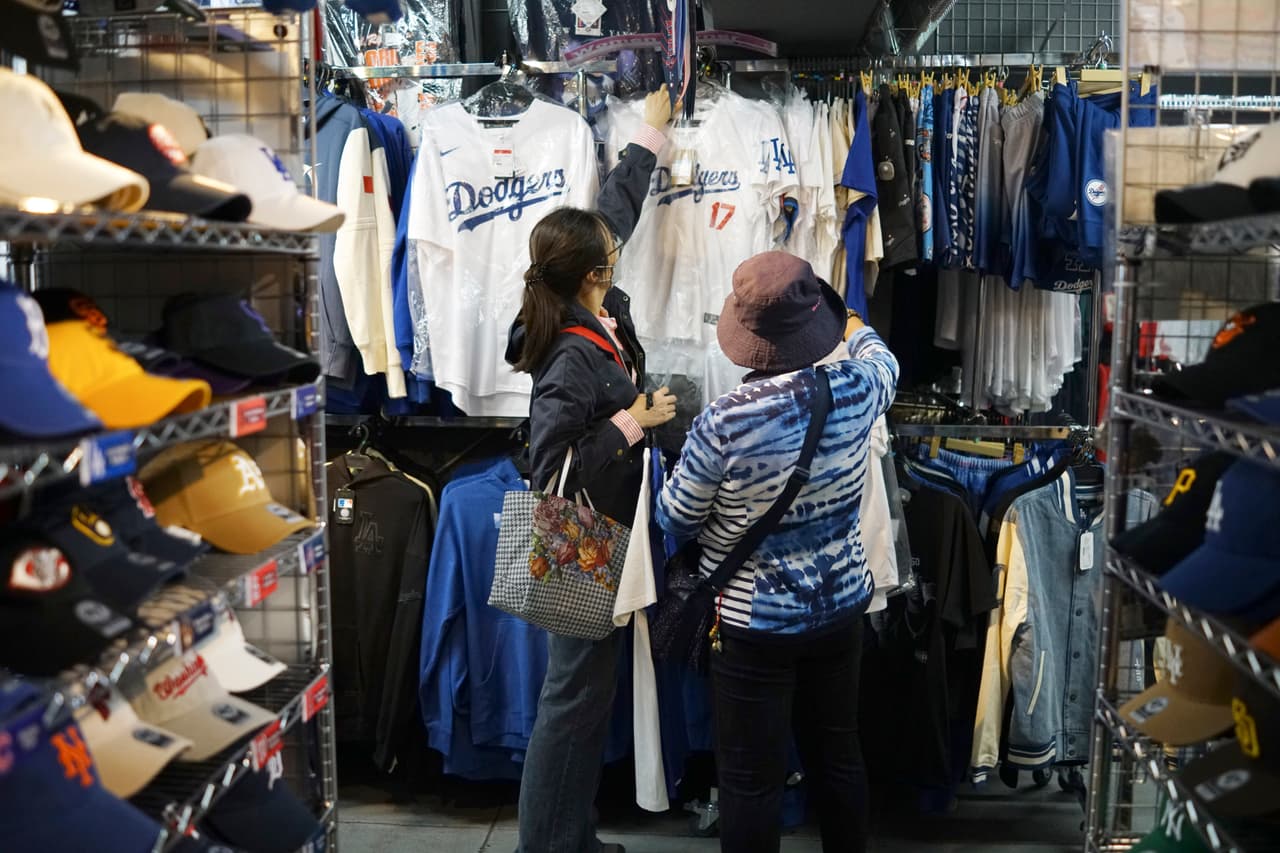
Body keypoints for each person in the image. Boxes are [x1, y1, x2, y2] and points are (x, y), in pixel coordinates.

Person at [655, 251, 900, 853]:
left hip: (752, 624)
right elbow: (883, 358)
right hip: (842, 608)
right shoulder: (858, 387)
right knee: (839, 759)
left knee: (750, 781)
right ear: (812, 322)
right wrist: (851, 323)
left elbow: (675, 514)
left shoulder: (723, 420)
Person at [504, 85, 680, 853]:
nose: (617, 248)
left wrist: (650, 136)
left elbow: (616, 211)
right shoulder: (573, 354)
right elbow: (551, 473)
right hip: (574, 533)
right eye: (606, 252)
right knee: (569, 702)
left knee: (583, 697)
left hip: (596, 534)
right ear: (589, 273)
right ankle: (543, 846)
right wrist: (628, 422)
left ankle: (569, 837)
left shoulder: (589, 313)